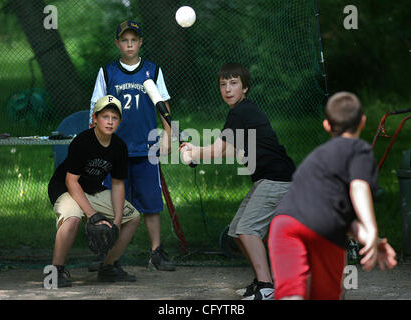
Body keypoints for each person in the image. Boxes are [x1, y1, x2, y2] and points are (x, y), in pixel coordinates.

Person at [180, 63, 296, 300]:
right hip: (267, 179)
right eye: (223, 84)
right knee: (235, 232)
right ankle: (261, 281)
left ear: (245, 88)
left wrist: (194, 153)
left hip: (277, 179)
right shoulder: (240, 112)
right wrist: (195, 149)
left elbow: (222, 148)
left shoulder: (242, 111)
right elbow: (229, 149)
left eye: (233, 83)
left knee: (247, 229)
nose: (227, 89)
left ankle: (266, 287)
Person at [268, 92, 397, 300]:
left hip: (284, 224)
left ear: (327, 125)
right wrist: (372, 229)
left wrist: (371, 239)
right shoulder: (359, 149)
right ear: (362, 122)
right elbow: (358, 187)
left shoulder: (317, 157)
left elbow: (337, 217)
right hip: (325, 231)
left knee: (290, 293)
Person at [89, 20, 175, 271]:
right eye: (124, 40)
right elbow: (96, 107)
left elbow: (164, 106)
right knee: (113, 204)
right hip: (115, 150)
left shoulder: (152, 70)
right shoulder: (107, 72)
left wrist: (169, 135)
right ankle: (107, 255)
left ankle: (156, 252)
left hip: (146, 148)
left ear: (140, 43)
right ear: (117, 43)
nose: (129, 44)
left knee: (150, 204)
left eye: (133, 40)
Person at [48, 95, 141, 288]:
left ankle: (108, 267)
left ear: (119, 122)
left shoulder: (119, 147)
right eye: (105, 116)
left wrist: (115, 222)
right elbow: (71, 181)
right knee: (72, 217)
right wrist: (93, 215)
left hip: (92, 189)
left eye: (114, 118)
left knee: (132, 217)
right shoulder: (83, 141)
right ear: (95, 119)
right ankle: (56, 271)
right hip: (65, 188)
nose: (109, 121)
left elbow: (117, 184)